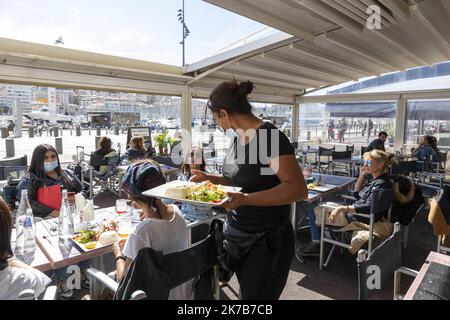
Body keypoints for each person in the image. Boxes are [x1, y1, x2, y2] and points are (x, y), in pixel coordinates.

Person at [191, 80, 308, 299]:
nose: (216, 123)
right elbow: (240, 179)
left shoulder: (268, 137)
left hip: (267, 240)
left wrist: (245, 199)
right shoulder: (239, 137)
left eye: (215, 118)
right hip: (239, 234)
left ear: (224, 113)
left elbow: (297, 189)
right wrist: (210, 178)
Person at [111, 160, 193, 300]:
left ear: (133, 195)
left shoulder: (142, 232)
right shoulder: (178, 213)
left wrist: (118, 254)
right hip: (182, 293)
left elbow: (123, 279)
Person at [300, 150, 395, 256]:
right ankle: (323, 237)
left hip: (357, 218)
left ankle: (316, 244)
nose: (365, 165)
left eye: (368, 163)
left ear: (380, 164)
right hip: (355, 213)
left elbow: (368, 207)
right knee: (318, 204)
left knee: (313, 208)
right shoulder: (377, 181)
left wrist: (341, 209)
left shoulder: (381, 185)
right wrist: (361, 176)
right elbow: (357, 196)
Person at [0, 196, 51, 300]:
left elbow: (81, 190)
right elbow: (40, 279)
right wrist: (7, 258)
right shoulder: (19, 280)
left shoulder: (68, 179)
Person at [16, 144, 86, 219]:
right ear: (38, 160)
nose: (50, 160)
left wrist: (77, 198)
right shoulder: (30, 179)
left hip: (72, 214)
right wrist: (52, 212)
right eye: (45, 158)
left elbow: (83, 190)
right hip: (44, 219)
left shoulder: (68, 173)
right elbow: (27, 201)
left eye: (53, 156)